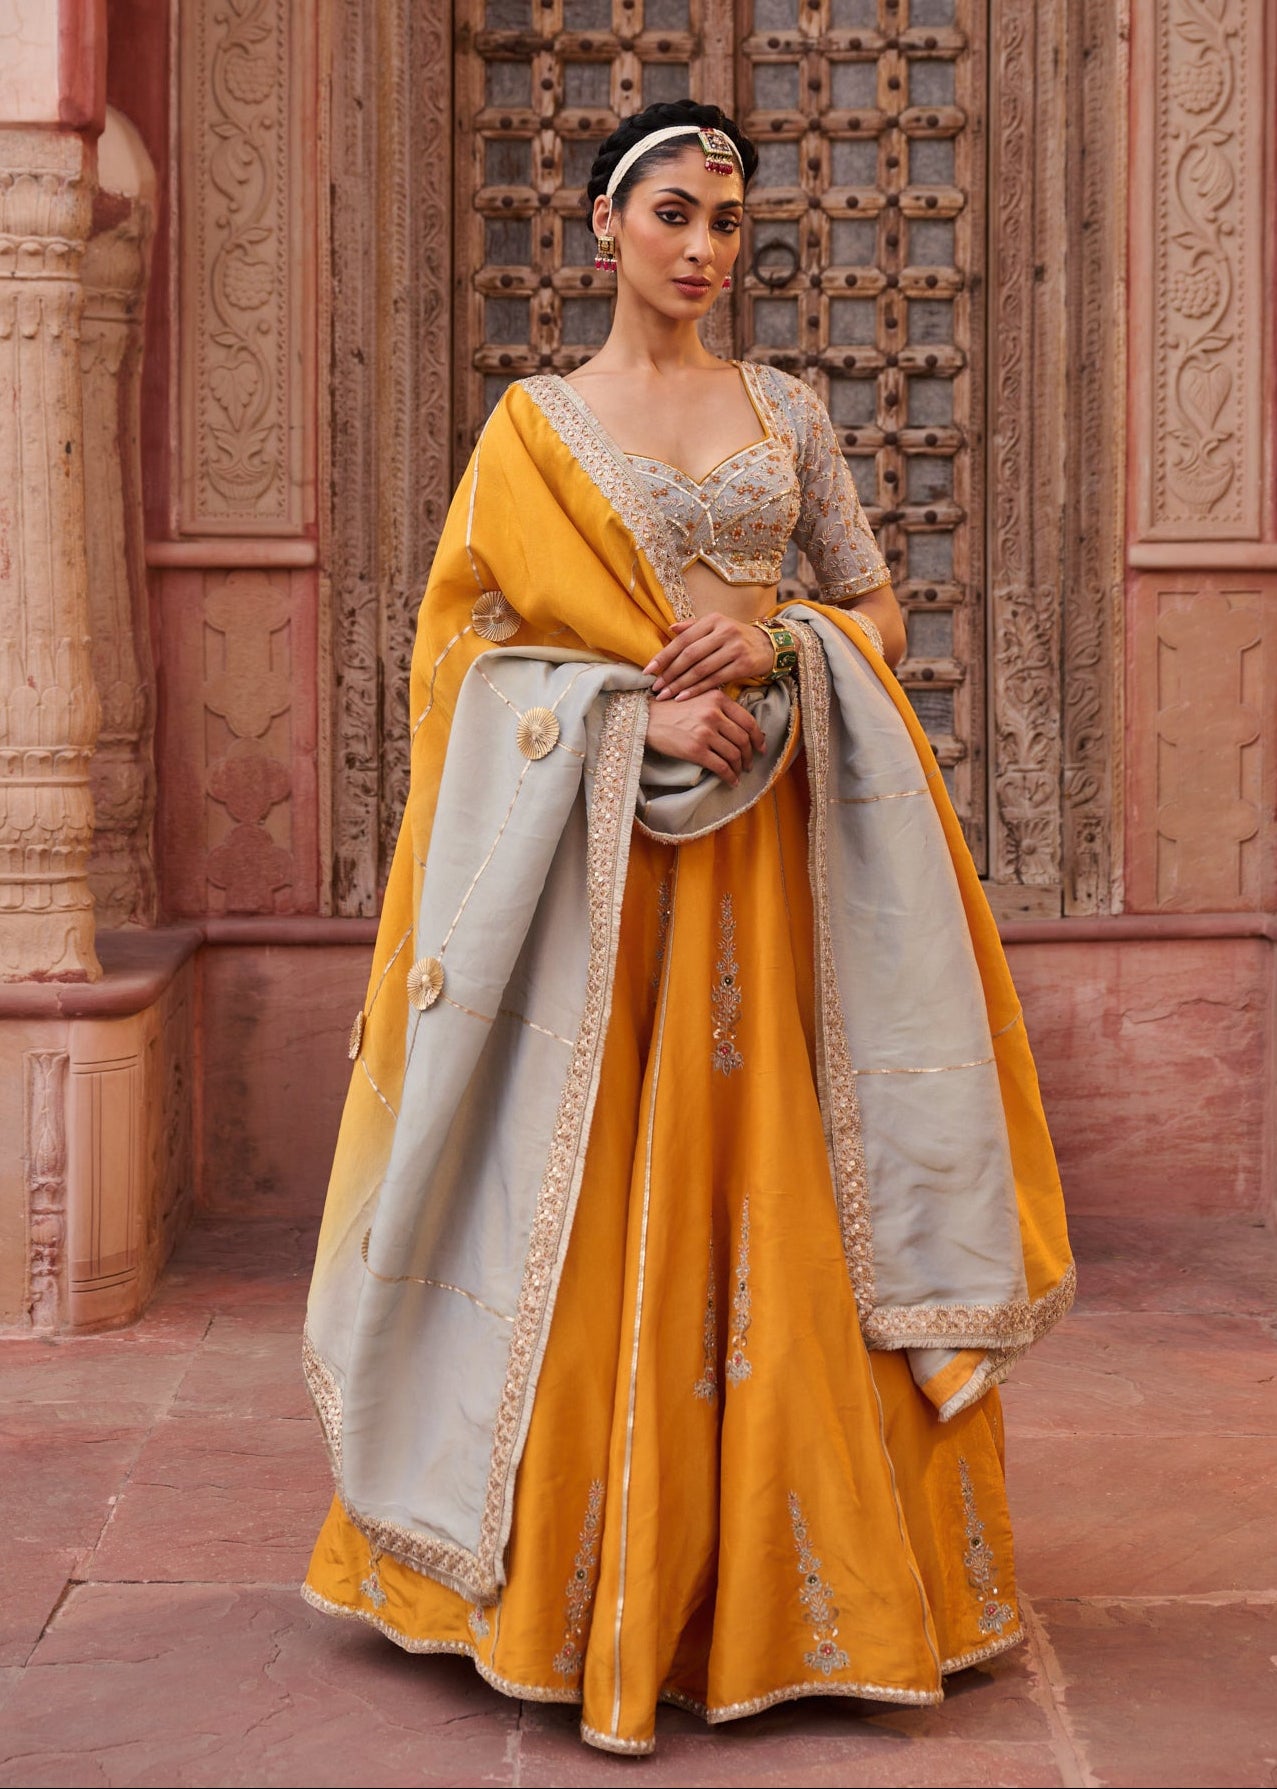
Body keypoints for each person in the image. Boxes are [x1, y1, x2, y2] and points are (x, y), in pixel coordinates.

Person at [301, 100, 1073, 1757]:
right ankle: (588, 1594)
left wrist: (783, 645)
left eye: (726, 221)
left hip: (779, 872)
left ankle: (811, 1591)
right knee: (601, 1196)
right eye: (671, 212)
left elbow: (872, 606)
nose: (703, 247)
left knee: (799, 1184)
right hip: (607, 900)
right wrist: (619, 722)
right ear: (602, 228)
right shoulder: (534, 433)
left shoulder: (786, 412)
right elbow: (454, 666)